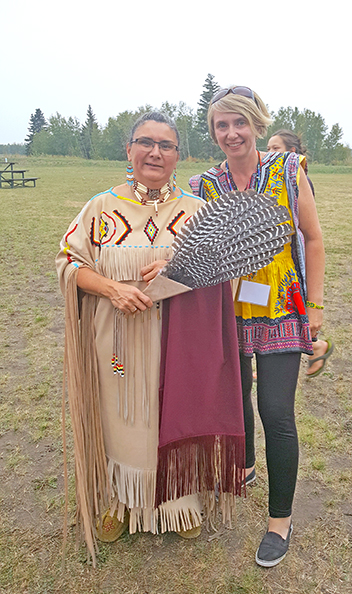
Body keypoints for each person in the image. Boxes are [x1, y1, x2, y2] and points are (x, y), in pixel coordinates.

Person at [56, 111, 245, 565]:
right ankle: (123, 501)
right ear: (129, 150)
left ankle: (179, 502)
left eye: (166, 145)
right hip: (117, 343)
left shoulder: (197, 213)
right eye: (145, 142)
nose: (155, 152)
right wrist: (111, 288)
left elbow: (225, 278)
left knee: (175, 412)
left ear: (179, 156)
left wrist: (177, 271)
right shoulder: (100, 208)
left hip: (180, 345)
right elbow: (67, 261)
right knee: (123, 419)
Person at [189, 86, 325, 567]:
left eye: (239, 123)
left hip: (283, 310)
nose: (231, 133)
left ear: (257, 124)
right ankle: (244, 467)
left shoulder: (288, 171)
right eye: (221, 126)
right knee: (234, 401)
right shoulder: (204, 186)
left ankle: (280, 521)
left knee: (275, 412)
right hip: (227, 312)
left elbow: (311, 236)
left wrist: (316, 308)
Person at [267, 129, 334, 377]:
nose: (269, 153)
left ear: (291, 153)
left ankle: (317, 345)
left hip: (297, 259)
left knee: (298, 310)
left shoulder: (296, 179)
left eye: (275, 149)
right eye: (268, 148)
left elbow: (306, 230)